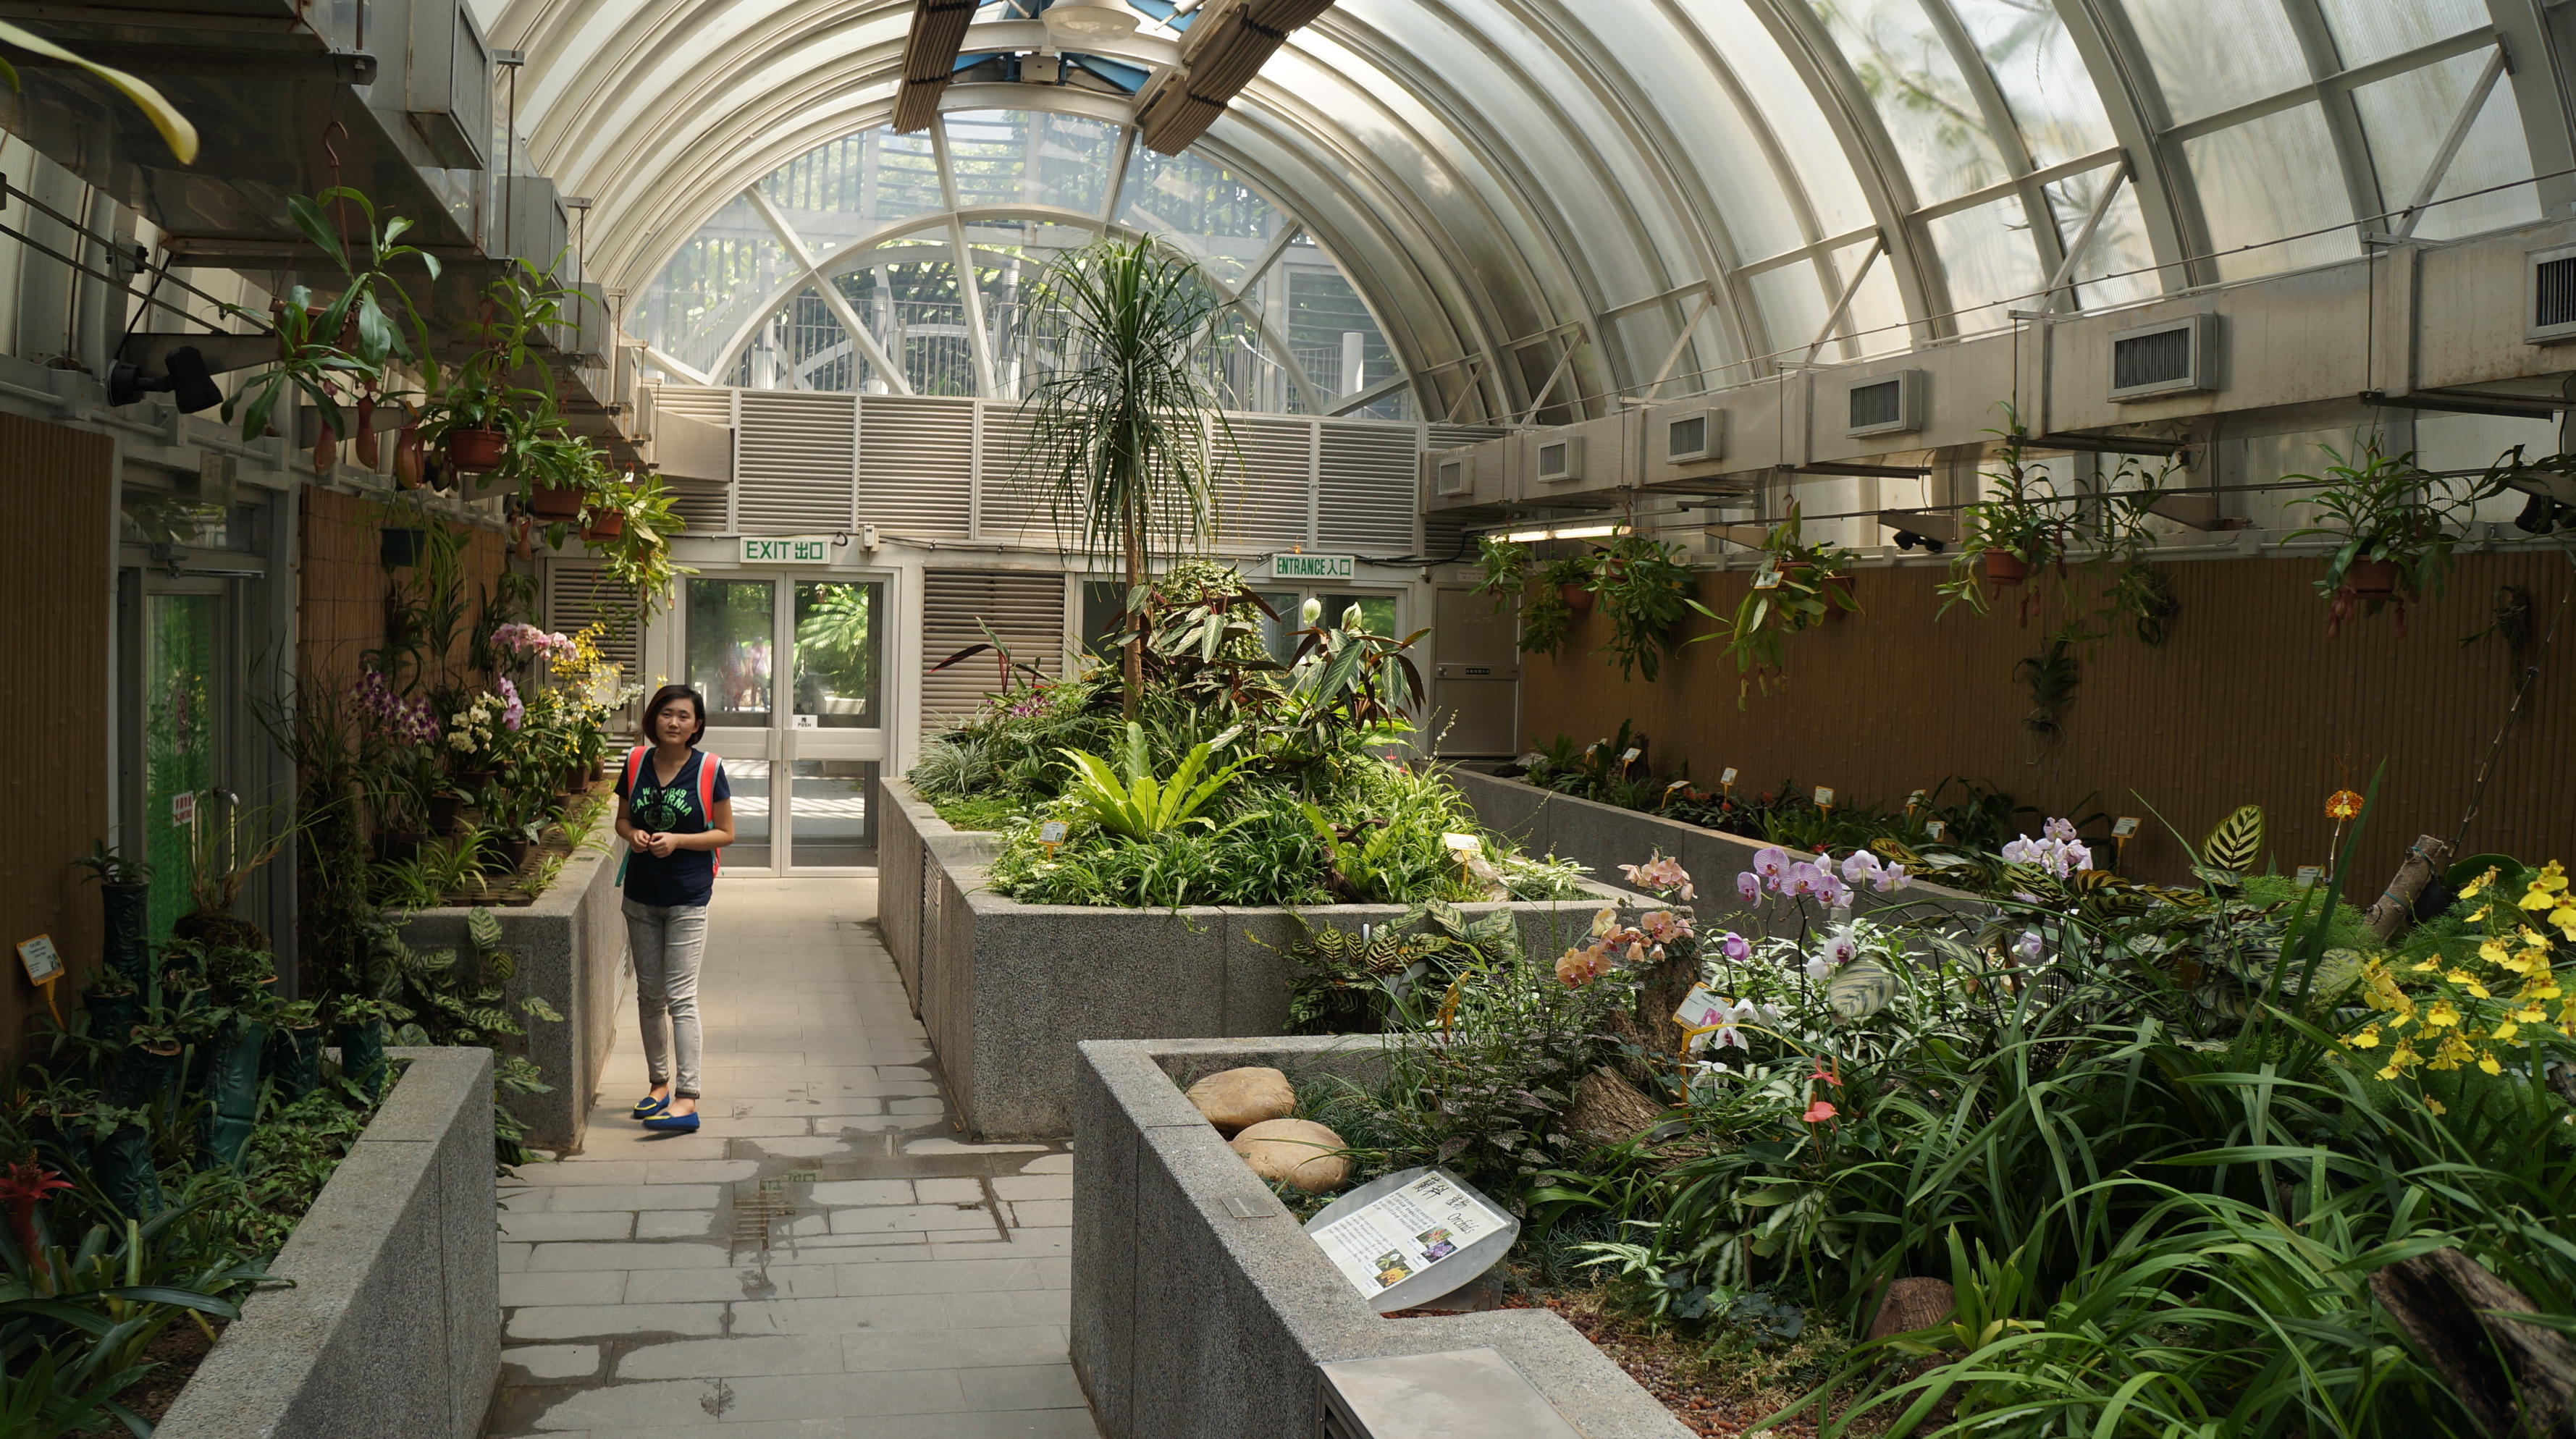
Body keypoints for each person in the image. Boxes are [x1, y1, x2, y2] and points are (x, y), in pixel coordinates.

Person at [615, 684, 736, 1133]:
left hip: (687, 896)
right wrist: (634, 836)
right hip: (640, 896)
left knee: (680, 997)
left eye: (684, 716)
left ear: (697, 725)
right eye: (667, 713)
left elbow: (726, 833)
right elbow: (623, 818)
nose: (674, 722)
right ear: (654, 718)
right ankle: (658, 1085)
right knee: (649, 996)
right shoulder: (634, 762)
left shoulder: (709, 769)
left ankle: (687, 1098)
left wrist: (679, 841)